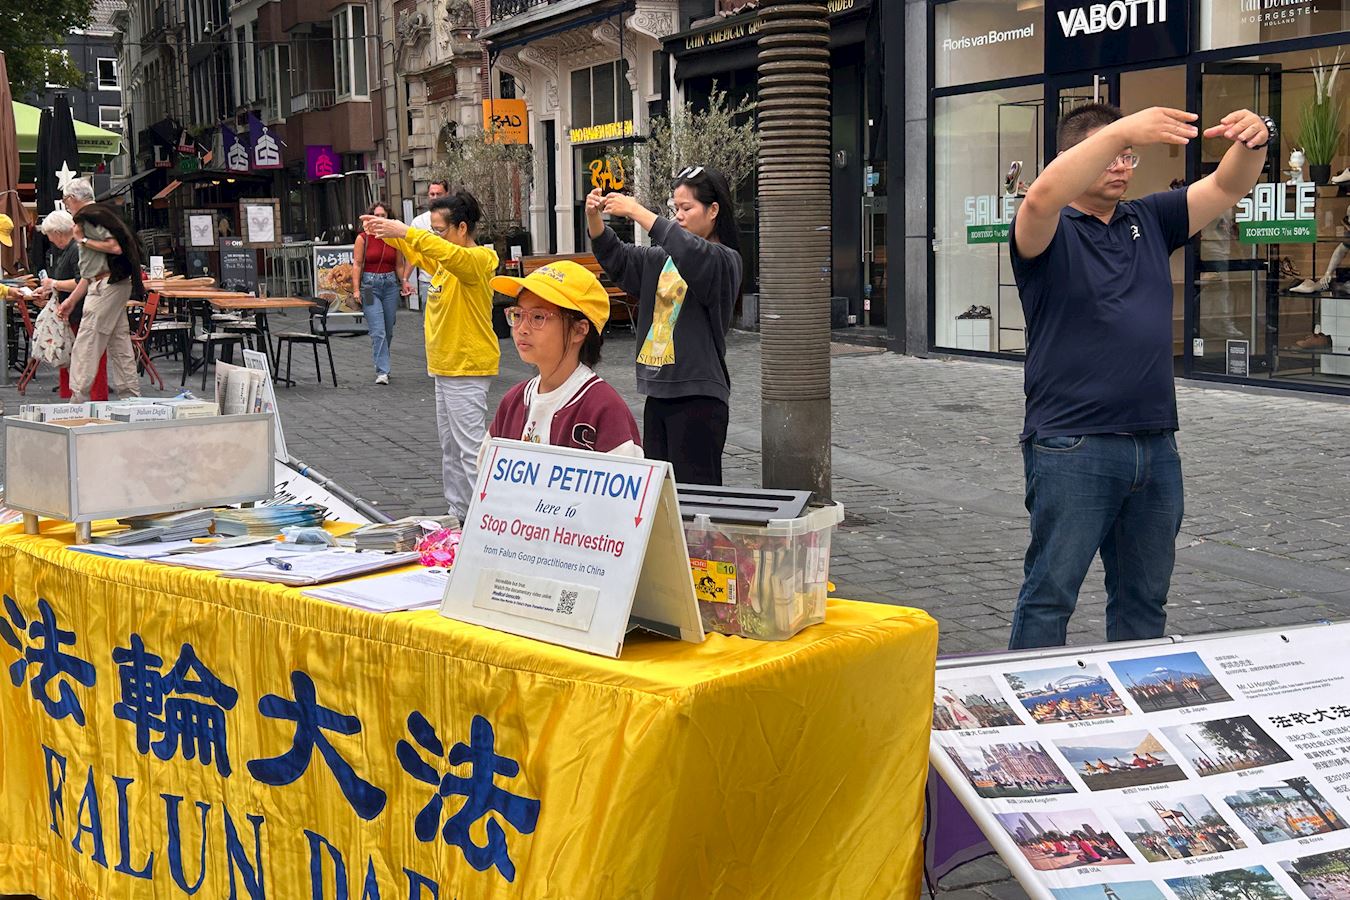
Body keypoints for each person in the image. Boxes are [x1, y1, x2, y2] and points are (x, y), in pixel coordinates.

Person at [1006, 104, 1271, 650]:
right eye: (1111, 155)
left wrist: (1255, 141)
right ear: (1074, 156)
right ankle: (1025, 697)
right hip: (1073, 444)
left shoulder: (1149, 219)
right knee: (1050, 594)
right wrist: (1124, 130)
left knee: (1144, 598)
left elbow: (1227, 186)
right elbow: (1042, 196)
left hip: (1154, 446)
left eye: (1129, 156)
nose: (1123, 166)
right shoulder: (1047, 228)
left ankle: (1139, 696)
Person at [587, 165, 743, 485]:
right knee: (661, 497)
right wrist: (594, 219)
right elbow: (619, 258)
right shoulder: (661, 259)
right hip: (659, 393)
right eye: (675, 209)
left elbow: (690, 251)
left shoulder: (724, 260)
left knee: (695, 499)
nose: (679, 216)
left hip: (699, 395)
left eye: (687, 208)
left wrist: (637, 211)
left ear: (713, 210)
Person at [360, 190, 499, 520]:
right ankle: (459, 513)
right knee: (451, 449)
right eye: (432, 230)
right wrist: (387, 231)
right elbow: (422, 252)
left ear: (462, 228)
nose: (435, 236)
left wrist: (406, 231)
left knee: (470, 451)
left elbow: (438, 251)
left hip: (467, 367)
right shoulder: (446, 262)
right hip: (446, 367)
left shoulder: (478, 260)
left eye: (440, 230)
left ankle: (487, 521)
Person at [485, 260, 641, 456]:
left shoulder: (604, 408)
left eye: (538, 317)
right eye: (517, 315)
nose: (521, 329)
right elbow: (486, 469)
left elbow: (626, 472)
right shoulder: (513, 402)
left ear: (579, 330)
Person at [48, 179, 142, 403]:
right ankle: (131, 397)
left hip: (105, 286)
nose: (67, 207)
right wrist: (72, 300)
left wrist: (83, 240)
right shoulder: (106, 212)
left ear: (72, 198)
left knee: (87, 341)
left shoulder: (87, 217)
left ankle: (77, 399)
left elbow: (113, 247)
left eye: (66, 201)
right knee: (119, 342)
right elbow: (92, 269)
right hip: (116, 282)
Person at [35, 210, 108, 400]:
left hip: (81, 312)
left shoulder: (76, 250)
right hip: (74, 312)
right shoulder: (70, 250)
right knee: (75, 357)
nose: (50, 240)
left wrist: (54, 284)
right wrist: (50, 288)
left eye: (50, 235)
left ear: (58, 233)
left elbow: (81, 281)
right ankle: (75, 398)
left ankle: (93, 400)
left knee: (87, 358)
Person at [353, 200, 410, 385]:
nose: (379, 219)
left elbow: (399, 264)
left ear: (388, 218)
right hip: (370, 286)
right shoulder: (363, 238)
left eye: (382, 216)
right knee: (378, 330)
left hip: (390, 285)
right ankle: (382, 370)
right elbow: (357, 264)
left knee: (388, 329)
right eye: (376, 216)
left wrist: (404, 282)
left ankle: (382, 360)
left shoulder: (395, 239)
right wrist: (356, 289)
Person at [407, 179, 449, 309]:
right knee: (428, 319)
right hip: (428, 281)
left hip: (451, 279)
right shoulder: (418, 222)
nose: (435, 197)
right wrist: (405, 279)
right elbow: (412, 253)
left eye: (439, 194)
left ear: (447, 194)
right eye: (432, 194)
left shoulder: (455, 218)